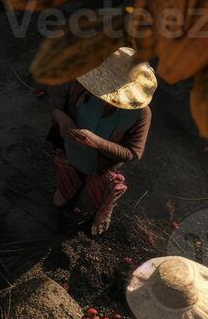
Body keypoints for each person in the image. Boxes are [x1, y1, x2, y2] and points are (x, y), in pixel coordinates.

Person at [49, 46, 155, 235]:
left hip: (102, 165)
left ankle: (104, 211)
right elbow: (58, 107)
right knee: (63, 165)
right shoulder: (82, 86)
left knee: (107, 186)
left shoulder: (141, 114)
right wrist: (62, 119)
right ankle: (67, 189)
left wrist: (97, 143)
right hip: (72, 151)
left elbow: (133, 153)